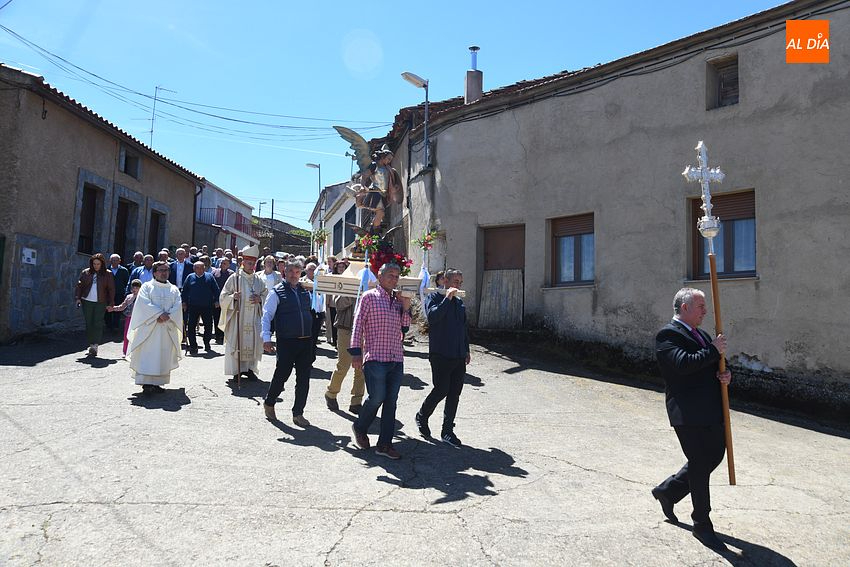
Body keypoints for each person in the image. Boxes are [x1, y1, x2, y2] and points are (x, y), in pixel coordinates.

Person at [651, 288, 732, 552]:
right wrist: (712, 350)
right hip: (687, 413)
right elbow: (683, 364)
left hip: (710, 410)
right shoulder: (668, 335)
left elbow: (711, 365)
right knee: (699, 464)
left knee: (714, 456)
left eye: (705, 306)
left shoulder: (704, 335)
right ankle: (702, 523)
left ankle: (669, 491)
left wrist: (725, 376)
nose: (705, 311)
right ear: (684, 308)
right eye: (700, 306)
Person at [349, 263, 412, 459]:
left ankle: (384, 445)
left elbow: (404, 329)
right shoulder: (369, 297)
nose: (394, 279)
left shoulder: (397, 301)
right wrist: (356, 352)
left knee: (391, 402)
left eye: (396, 276)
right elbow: (358, 323)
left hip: (395, 358)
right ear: (380, 276)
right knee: (376, 397)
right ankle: (360, 427)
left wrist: (406, 307)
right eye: (390, 275)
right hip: (375, 356)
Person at [415, 268, 470, 447]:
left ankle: (447, 431)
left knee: (454, 394)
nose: (458, 285)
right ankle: (422, 416)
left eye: (460, 282)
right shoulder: (434, 298)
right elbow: (433, 317)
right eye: (455, 282)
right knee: (441, 389)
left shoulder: (460, 303)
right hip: (441, 353)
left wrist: (466, 350)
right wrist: (447, 298)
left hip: (458, 354)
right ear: (444, 281)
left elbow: (463, 328)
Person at [261, 261, 314, 427]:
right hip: (287, 341)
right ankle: (269, 401)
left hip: (306, 341)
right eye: (291, 271)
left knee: (304, 379)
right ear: (285, 272)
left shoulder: (305, 291)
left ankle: (298, 413)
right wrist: (266, 338)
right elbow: (267, 316)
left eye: (298, 272)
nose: (294, 275)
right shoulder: (277, 292)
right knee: (282, 375)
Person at [126, 261, 183, 394]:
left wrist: (167, 316)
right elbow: (143, 303)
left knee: (163, 355)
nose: (164, 273)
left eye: (166, 270)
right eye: (161, 270)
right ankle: (146, 383)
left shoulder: (173, 289)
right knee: (148, 354)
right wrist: (158, 314)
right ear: (155, 272)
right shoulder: (147, 287)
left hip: (166, 328)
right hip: (149, 329)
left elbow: (177, 305)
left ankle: (157, 383)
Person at [218, 245, 268, 382]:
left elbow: (266, 295)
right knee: (238, 342)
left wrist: (260, 299)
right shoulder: (234, 278)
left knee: (253, 342)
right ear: (243, 263)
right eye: (249, 263)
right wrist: (232, 297)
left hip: (253, 319)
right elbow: (223, 296)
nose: (251, 266)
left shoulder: (259, 280)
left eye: (254, 263)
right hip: (237, 318)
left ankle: (250, 369)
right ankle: (237, 370)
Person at [324, 283, 365, 414]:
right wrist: (353, 293)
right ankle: (331, 393)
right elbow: (339, 304)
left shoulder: (371, 286)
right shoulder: (346, 285)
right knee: (344, 365)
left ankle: (356, 401)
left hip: (365, 331)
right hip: (346, 329)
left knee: (362, 368)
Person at [74, 253, 116, 356]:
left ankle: (95, 345)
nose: (96, 266)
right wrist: (78, 298)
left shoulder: (108, 274)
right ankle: (91, 343)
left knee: (97, 323)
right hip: (87, 301)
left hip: (100, 302)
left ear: (102, 264)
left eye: (98, 264)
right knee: (89, 323)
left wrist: (111, 303)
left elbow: (111, 289)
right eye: (94, 264)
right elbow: (79, 286)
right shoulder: (86, 273)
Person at [181, 261, 220, 354]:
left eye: (202, 267)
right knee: (191, 326)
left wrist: (217, 300)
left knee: (208, 326)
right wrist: (184, 302)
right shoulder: (190, 277)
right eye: (198, 268)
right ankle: (193, 346)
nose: (200, 270)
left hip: (207, 305)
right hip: (193, 306)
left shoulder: (209, 277)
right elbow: (184, 290)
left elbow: (216, 289)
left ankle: (207, 342)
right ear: (194, 269)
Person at [109, 279, 142, 356]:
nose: (134, 289)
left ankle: (137, 352)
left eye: (137, 288)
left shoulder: (143, 298)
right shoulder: (129, 297)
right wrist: (113, 308)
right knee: (127, 335)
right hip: (129, 318)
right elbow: (122, 307)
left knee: (138, 336)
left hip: (139, 319)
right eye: (133, 287)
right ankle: (126, 351)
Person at [211, 258, 233, 344]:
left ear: (228, 265)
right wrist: (216, 300)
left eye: (224, 263)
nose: (222, 264)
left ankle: (225, 335)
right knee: (217, 318)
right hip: (217, 300)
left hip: (227, 300)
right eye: (221, 263)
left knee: (226, 318)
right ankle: (218, 336)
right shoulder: (214, 273)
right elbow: (212, 287)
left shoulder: (231, 274)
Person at [106, 254, 130, 332]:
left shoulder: (124, 270)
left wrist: (125, 293)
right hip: (108, 294)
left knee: (118, 310)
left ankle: (116, 326)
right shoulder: (107, 270)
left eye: (116, 260)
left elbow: (127, 282)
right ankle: (109, 326)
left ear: (119, 261)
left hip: (119, 293)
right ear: (110, 261)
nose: (114, 262)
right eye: (113, 260)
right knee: (108, 310)